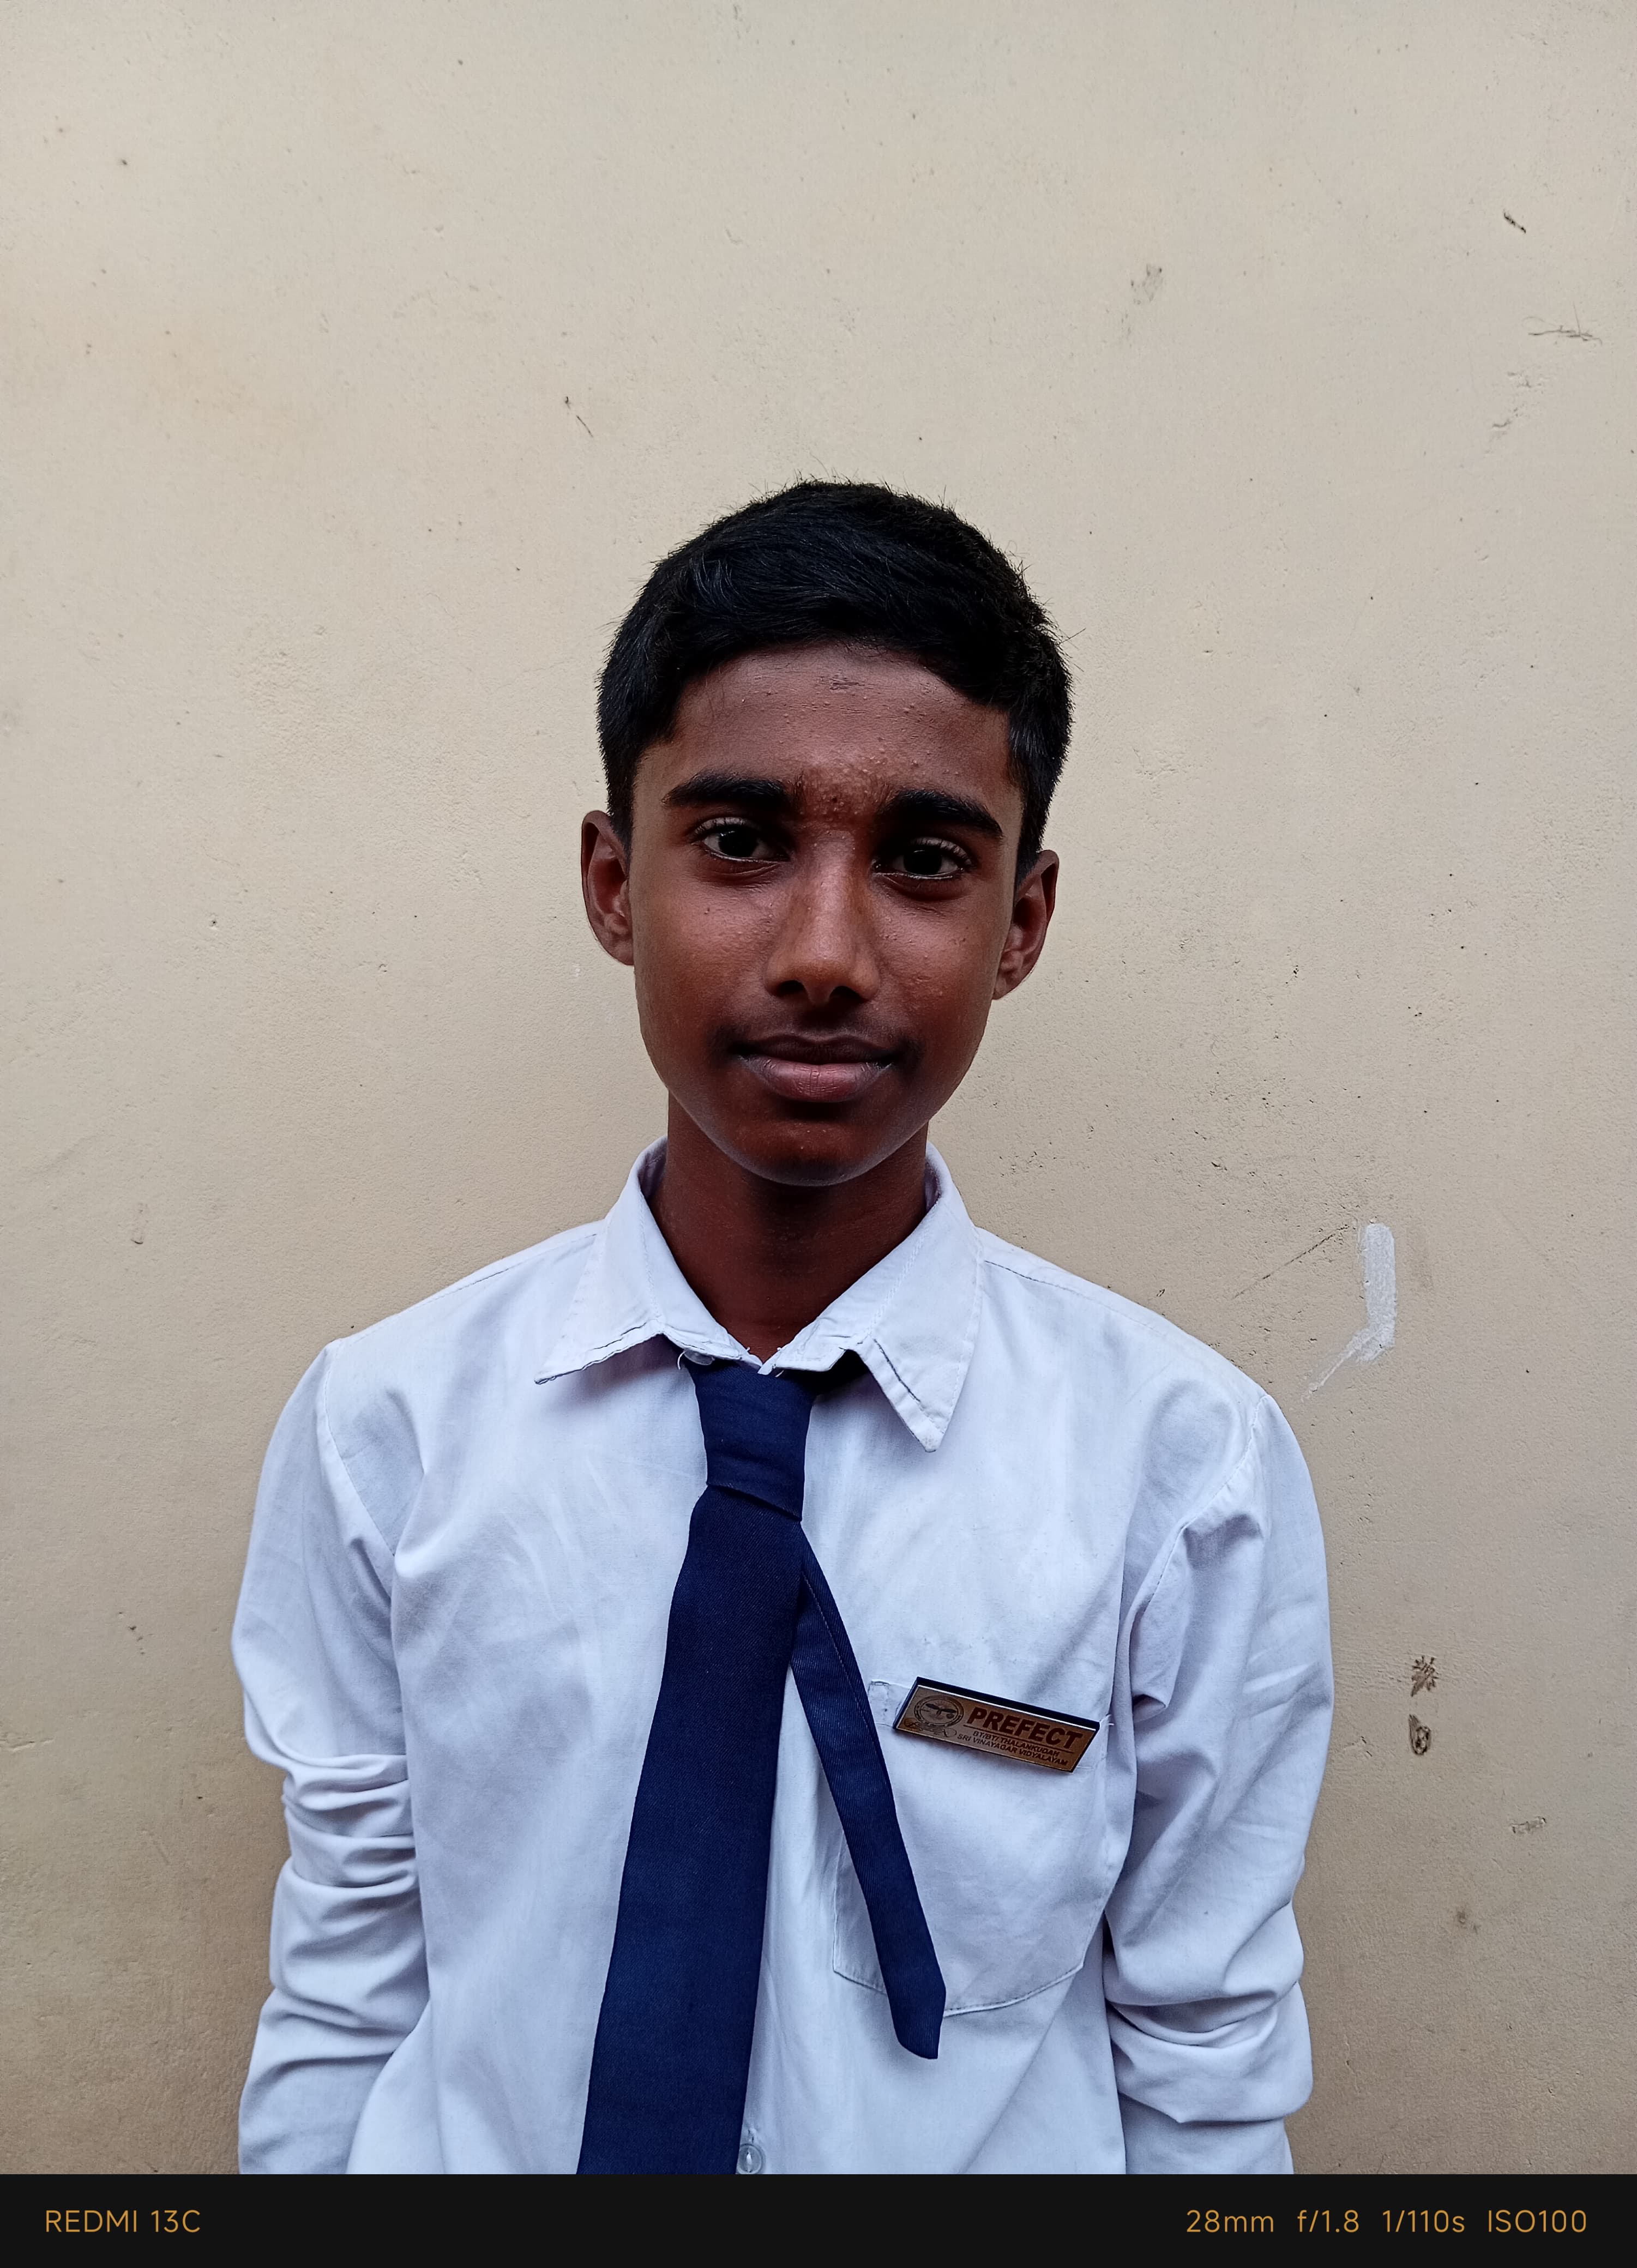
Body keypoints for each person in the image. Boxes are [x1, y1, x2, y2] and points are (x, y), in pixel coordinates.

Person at [233, 481, 1332, 2175]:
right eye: (740, 843)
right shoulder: (388, 1426)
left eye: (923, 860)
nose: (824, 954)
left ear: (1021, 921)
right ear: (615, 885)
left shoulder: (1181, 1470)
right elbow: (349, 1984)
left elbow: (1203, 2054)